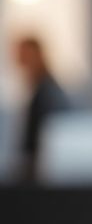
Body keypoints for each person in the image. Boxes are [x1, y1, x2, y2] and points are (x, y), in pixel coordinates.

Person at [11, 35, 68, 184]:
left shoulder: (46, 91)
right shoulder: (39, 88)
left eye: (22, 52)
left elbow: (46, 135)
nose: (17, 58)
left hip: (42, 170)